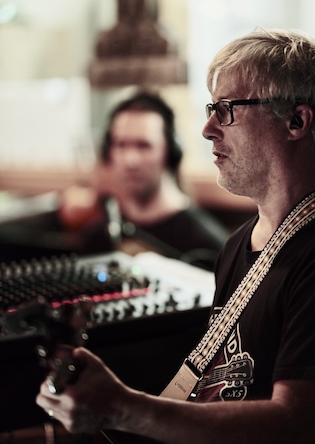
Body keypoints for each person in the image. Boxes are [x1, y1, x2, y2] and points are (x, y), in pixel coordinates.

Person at [37, 27, 315, 444]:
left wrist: (123, 408)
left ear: (296, 120)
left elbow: (296, 423)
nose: (207, 129)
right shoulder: (237, 245)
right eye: (210, 108)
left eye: (226, 109)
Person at [59, 91, 228, 270]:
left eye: (143, 145)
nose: (130, 160)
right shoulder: (97, 239)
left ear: (170, 153)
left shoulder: (208, 244)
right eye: (121, 144)